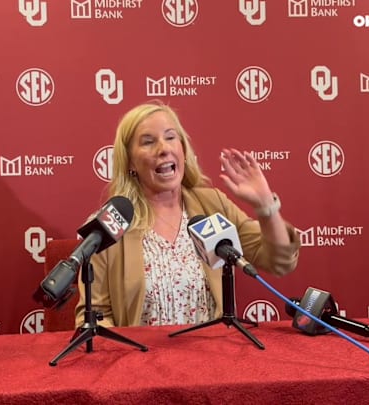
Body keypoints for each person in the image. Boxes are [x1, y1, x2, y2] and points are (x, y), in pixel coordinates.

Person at [75, 101, 300, 328]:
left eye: (171, 137)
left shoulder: (212, 205)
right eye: (148, 142)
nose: (164, 148)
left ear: (183, 149)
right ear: (131, 162)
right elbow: (94, 317)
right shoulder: (111, 224)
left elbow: (278, 262)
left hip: (212, 355)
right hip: (141, 359)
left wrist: (266, 207)